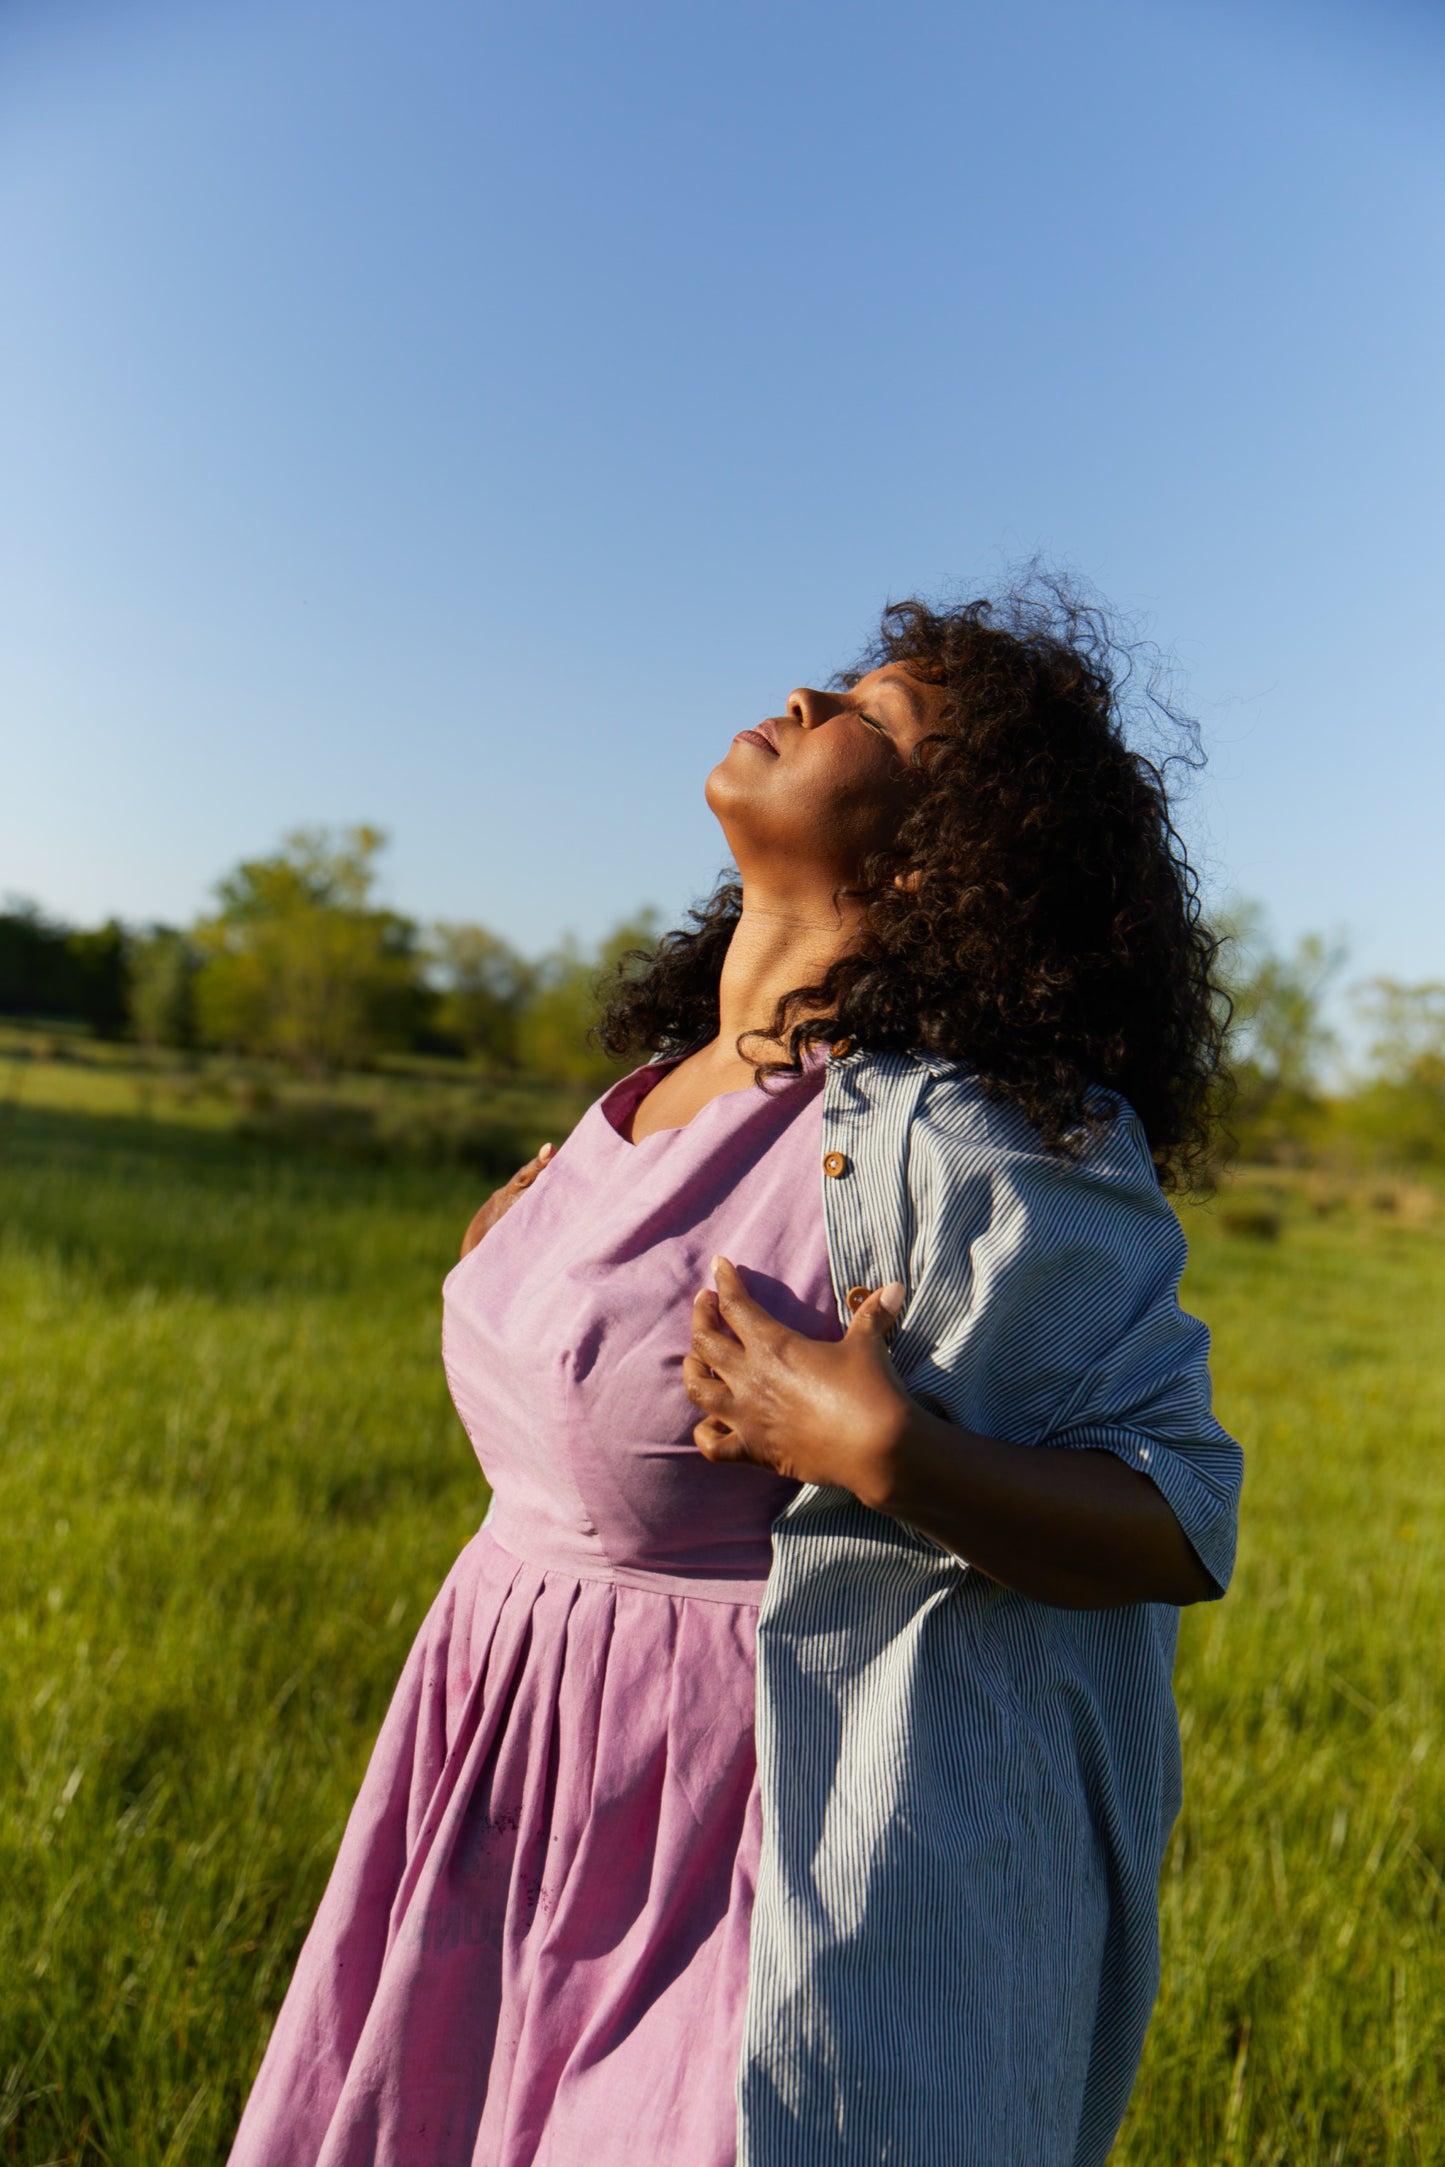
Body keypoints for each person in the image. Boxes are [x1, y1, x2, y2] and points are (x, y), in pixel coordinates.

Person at [226, 582, 1243, 2167]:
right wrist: (530, 1242)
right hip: (517, 1753)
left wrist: (890, 1453)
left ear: (932, 854)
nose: (809, 699)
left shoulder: (965, 1136)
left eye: (873, 717)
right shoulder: (647, 1095)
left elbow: (1178, 1511)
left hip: (747, 1829)